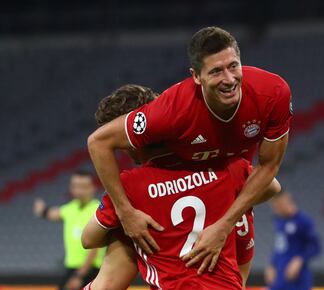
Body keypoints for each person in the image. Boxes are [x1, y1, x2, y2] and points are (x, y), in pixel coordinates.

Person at [87, 26, 292, 273]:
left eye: (233, 66)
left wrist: (223, 222)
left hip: (231, 192)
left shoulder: (272, 93)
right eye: (216, 71)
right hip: (223, 188)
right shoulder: (172, 112)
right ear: (196, 76)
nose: (229, 79)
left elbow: (269, 168)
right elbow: (98, 142)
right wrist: (126, 213)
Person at [78, 84, 277, 290]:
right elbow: (272, 187)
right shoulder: (225, 165)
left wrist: (127, 218)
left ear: (130, 140)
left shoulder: (130, 187)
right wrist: (227, 209)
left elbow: (88, 240)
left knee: (110, 269)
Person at [33, 171, 105, 290]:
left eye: (84, 186)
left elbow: (95, 249)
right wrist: (42, 211)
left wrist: (79, 276)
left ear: (93, 188)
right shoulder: (70, 208)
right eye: (76, 186)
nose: (79, 190)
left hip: (90, 271)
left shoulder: (97, 210)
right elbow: (54, 213)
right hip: (71, 268)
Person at [264, 191, 321, 290]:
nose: (275, 210)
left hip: (298, 280)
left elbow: (316, 246)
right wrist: (272, 265)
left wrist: (299, 259)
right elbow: (279, 246)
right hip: (279, 280)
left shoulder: (303, 221)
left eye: (277, 206)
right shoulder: (279, 221)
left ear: (285, 202)